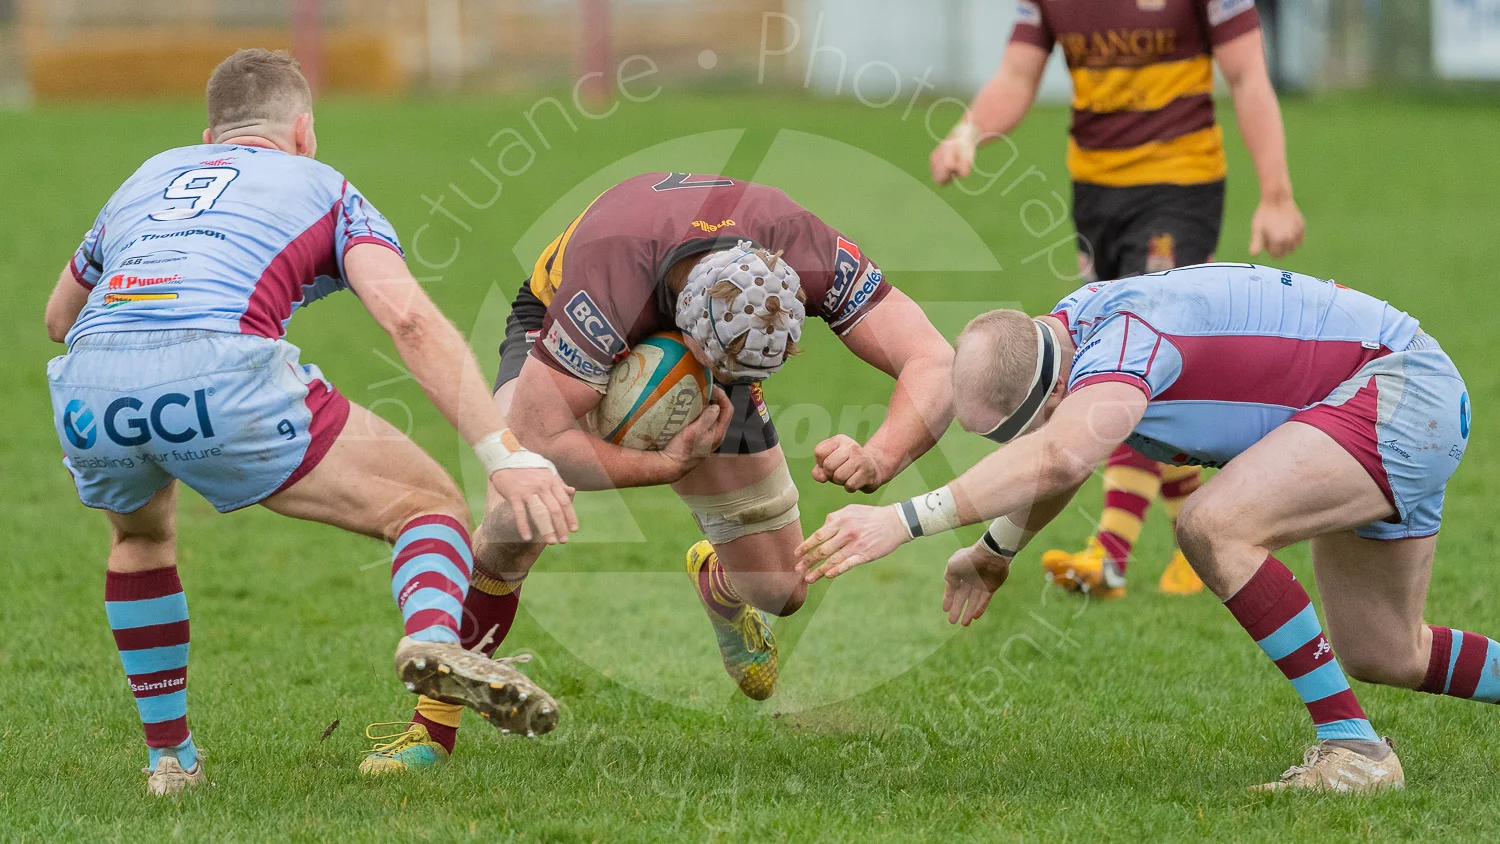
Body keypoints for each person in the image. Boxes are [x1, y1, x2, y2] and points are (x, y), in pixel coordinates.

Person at [42, 49, 577, 795]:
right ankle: (433, 641)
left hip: (88, 388)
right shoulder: (325, 186)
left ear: (210, 137)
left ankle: (171, 761)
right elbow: (409, 319)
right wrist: (503, 454)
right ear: (303, 132)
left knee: (140, 540)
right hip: (221, 371)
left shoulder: (147, 175)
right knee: (428, 506)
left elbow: (58, 319)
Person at [796, 263, 1487, 792]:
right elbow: (1062, 454)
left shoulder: (1124, 345)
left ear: (1054, 392)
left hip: (1398, 390)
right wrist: (995, 550)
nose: (1020, 448)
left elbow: (1061, 455)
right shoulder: (1074, 333)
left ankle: (1355, 752)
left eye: (1020, 431)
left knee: (1214, 525)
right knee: (1385, 652)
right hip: (1384, 394)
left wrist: (901, 520)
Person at [369, 173, 957, 773]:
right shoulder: (609, 281)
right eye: (723, 366)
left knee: (782, 590)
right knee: (518, 515)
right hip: (558, 323)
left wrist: (880, 456)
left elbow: (934, 361)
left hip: (707, 333)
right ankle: (430, 731)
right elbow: (540, 440)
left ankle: (722, 584)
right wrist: (665, 465)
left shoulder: (805, 247)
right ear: (689, 321)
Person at [930, 0, 1306, 598]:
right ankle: (1193, 537)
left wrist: (1277, 193)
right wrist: (967, 132)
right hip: (1095, 194)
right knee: (1122, 366)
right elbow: (1018, 75)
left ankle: (1111, 553)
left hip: (1180, 185)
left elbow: (1247, 75)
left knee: (1125, 364)